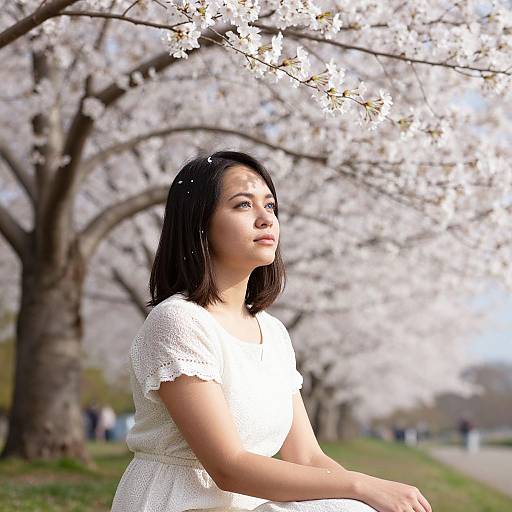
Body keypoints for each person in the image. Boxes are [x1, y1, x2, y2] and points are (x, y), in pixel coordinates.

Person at [111, 151, 432, 512]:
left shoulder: (273, 332)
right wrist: (362, 484)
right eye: (243, 205)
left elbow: (307, 457)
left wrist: (369, 499)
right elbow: (227, 467)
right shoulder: (179, 322)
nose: (266, 219)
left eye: (271, 206)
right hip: (182, 502)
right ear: (199, 222)